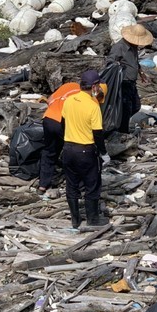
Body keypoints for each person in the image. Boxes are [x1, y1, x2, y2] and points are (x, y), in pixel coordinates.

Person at [38, 81, 108, 194]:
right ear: (96, 89)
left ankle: (43, 185)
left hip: (48, 118)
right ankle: (80, 185)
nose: (99, 100)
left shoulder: (69, 85)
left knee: (49, 151)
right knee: (76, 152)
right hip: (62, 122)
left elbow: (50, 99)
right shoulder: (89, 99)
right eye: (100, 97)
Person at [61, 70, 111, 228]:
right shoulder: (92, 106)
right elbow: (97, 133)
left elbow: (63, 122)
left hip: (68, 148)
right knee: (92, 185)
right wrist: (103, 153)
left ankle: (75, 220)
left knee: (71, 184)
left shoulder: (69, 100)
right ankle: (93, 220)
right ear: (94, 86)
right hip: (86, 150)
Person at [106, 23, 154, 133]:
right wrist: (119, 68)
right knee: (125, 109)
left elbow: (135, 62)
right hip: (123, 82)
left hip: (132, 82)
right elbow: (109, 62)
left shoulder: (134, 47)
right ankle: (122, 132)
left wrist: (141, 73)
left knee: (136, 106)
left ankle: (121, 126)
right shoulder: (119, 47)